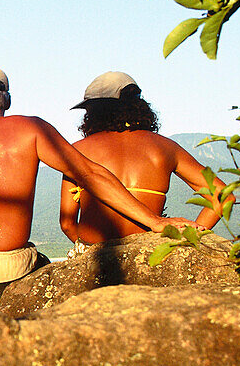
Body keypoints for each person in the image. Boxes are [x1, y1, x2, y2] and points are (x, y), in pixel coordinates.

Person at [0, 64, 199, 298]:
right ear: (6, 99)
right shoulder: (31, 129)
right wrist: (154, 221)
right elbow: (91, 175)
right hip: (11, 272)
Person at [59, 71, 229, 252]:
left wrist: (87, 251)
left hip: (94, 255)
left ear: (94, 113)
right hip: (151, 253)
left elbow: (68, 223)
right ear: (138, 106)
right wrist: (188, 240)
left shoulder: (78, 150)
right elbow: (223, 196)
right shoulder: (166, 147)